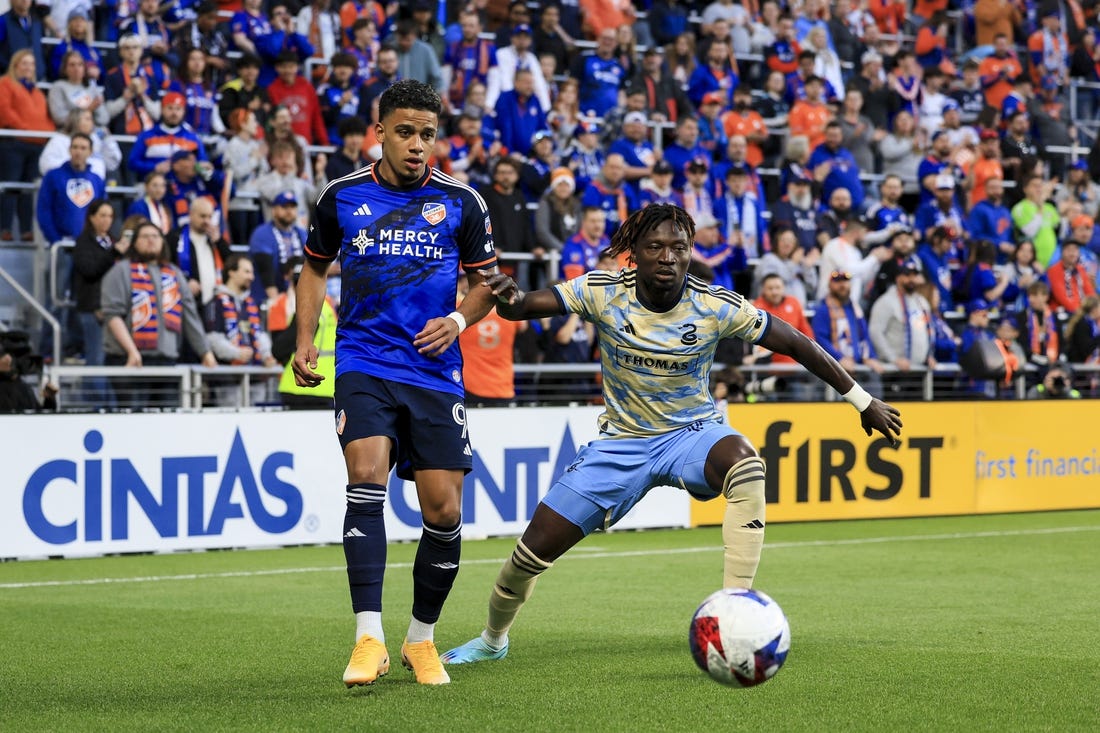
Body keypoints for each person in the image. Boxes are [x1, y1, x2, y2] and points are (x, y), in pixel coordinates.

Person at [441, 203, 902, 666]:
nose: (667, 257)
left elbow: (796, 342)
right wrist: (504, 291)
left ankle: (734, 610)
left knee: (745, 463)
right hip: (622, 443)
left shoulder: (714, 305)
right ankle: (493, 640)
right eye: (655, 247)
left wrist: (862, 400)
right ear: (634, 255)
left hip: (692, 433)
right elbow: (523, 307)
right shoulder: (601, 291)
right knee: (528, 555)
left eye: (678, 248)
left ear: (689, 253)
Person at [291, 79, 500, 687]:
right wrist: (306, 341)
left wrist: (458, 318)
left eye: (427, 134)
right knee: (365, 476)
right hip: (364, 360)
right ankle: (368, 638)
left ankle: (419, 640)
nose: (416, 145)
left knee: (444, 509)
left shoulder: (463, 203)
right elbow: (313, 266)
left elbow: (488, 282)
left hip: (434, 371)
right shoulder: (342, 196)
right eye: (405, 132)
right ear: (378, 132)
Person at [100, 221, 217, 407]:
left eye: (155, 237)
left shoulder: (174, 274)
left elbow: (190, 317)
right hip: (129, 359)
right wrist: (132, 351)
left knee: (165, 421)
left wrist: (205, 352)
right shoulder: (120, 271)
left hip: (166, 359)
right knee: (132, 421)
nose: (151, 241)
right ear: (135, 243)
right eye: (145, 237)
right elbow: (113, 316)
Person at [72, 199, 128, 407]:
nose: (106, 220)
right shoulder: (84, 242)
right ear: (92, 217)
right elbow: (89, 270)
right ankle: (95, 406)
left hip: (113, 310)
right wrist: (113, 254)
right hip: (92, 308)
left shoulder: (112, 241)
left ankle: (110, 405)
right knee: (95, 358)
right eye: (102, 215)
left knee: (109, 358)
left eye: (110, 216)